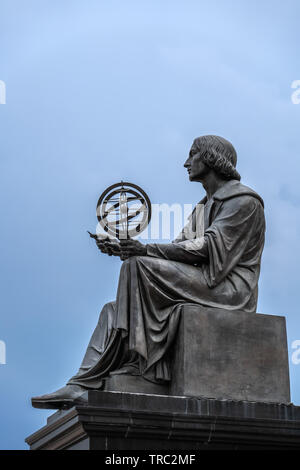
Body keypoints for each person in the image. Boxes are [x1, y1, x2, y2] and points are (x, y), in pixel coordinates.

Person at [32, 135, 265, 409]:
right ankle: (82, 383)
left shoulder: (244, 201)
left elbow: (206, 248)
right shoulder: (205, 205)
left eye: (193, 155)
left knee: (138, 266)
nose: (186, 163)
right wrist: (125, 248)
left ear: (211, 158)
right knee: (113, 310)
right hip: (203, 281)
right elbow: (181, 248)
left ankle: (141, 365)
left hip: (228, 289)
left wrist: (144, 252)